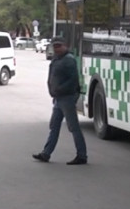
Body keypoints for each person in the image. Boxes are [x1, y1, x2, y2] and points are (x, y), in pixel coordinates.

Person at [32, 37, 88, 165]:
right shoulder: (57, 58)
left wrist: (59, 90)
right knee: (54, 126)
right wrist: (52, 90)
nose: (56, 48)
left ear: (65, 46)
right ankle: (46, 153)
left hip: (66, 97)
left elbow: (73, 80)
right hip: (58, 98)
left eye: (59, 46)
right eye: (54, 46)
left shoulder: (68, 60)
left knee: (73, 127)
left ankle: (82, 155)